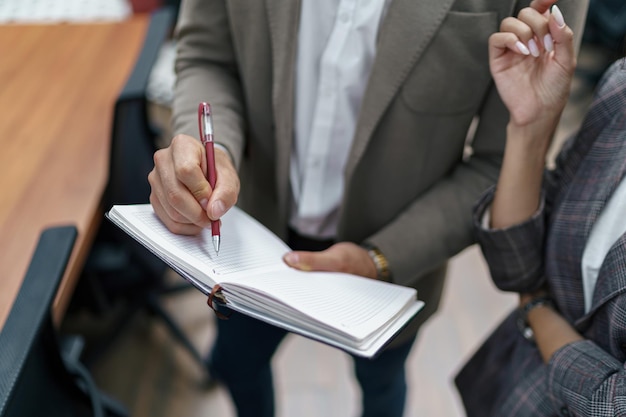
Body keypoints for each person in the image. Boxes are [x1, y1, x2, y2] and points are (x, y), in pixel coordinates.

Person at [148, 0, 587, 416]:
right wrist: (213, 152)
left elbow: (501, 160)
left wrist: (382, 258)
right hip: (249, 230)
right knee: (239, 364)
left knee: (382, 384)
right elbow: (207, 54)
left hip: (398, 249)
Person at [454, 5, 626, 417]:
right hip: (518, 396)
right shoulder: (621, 91)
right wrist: (530, 127)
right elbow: (516, 264)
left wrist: (538, 312)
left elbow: (612, 404)